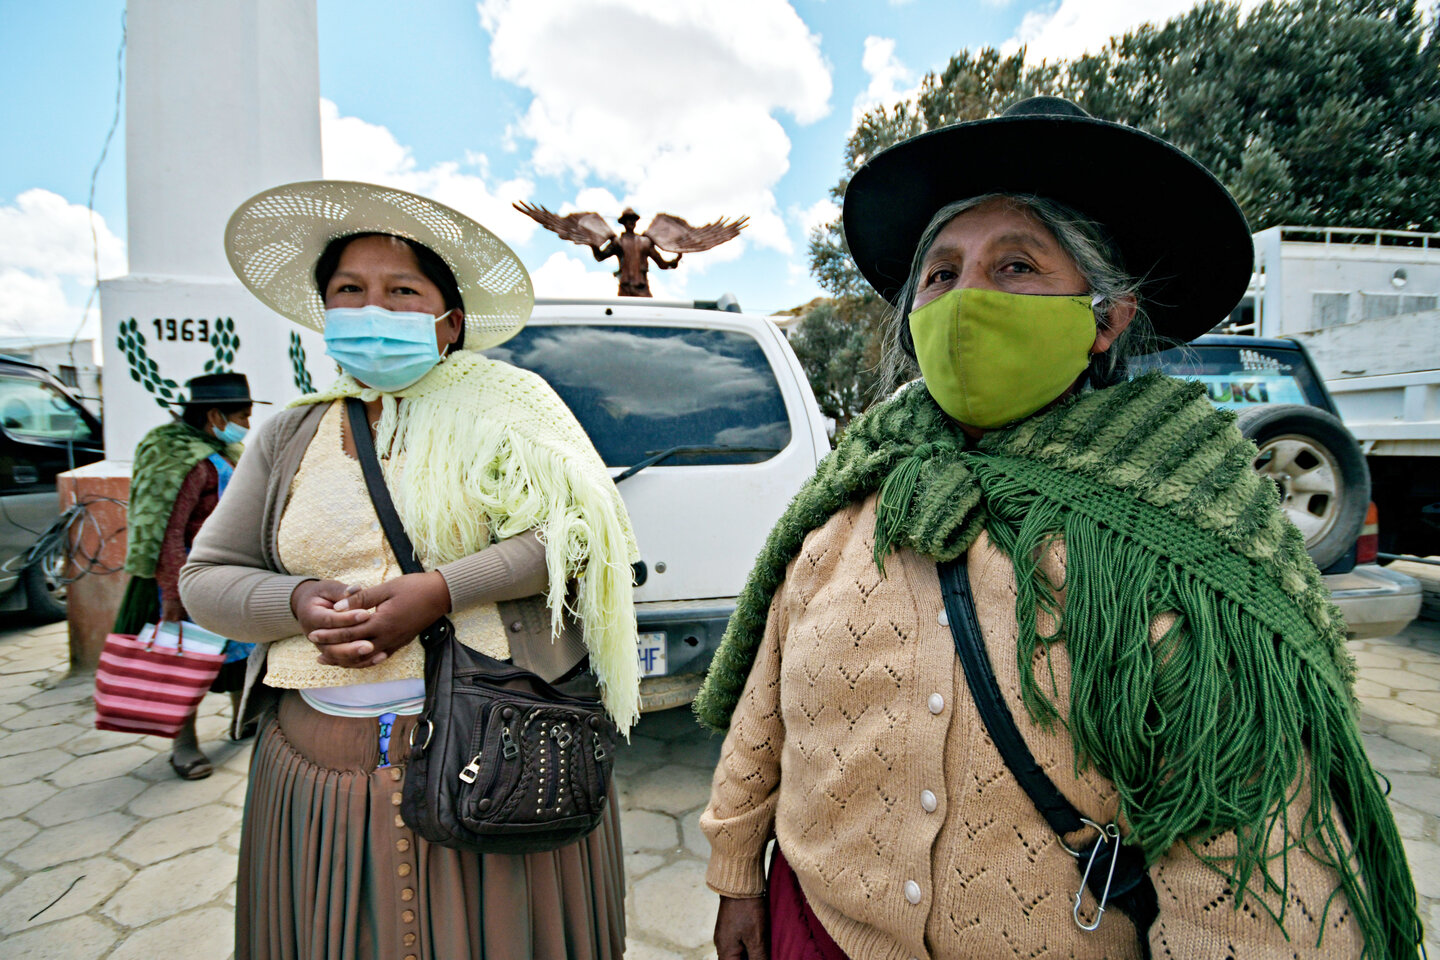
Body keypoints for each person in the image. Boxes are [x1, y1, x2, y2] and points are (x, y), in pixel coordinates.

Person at [694, 98, 1421, 960]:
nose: (967, 299)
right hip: (812, 929)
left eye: (1016, 267)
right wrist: (738, 868)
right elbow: (767, 706)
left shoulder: (1183, 529)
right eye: (942, 274)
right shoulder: (853, 496)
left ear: (1104, 319)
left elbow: (1257, 870)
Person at [179, 180, 641, 959]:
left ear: (449, 321)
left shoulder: (513, 409)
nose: (375, 310)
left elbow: (584, 538)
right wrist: (296, 603)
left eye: (402, 292)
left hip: (498, 758)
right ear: (325, 315)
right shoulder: (289, 433)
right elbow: (207, 577)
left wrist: (439, 592)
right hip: (319, 780)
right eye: (350, 292)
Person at [115, 371, 265, 780]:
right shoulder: (180, 459)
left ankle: (242, 720)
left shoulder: (224, 449)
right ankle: (183, 745)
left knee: (240, 652)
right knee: (185, 657)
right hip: (184, 579)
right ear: (215, 415)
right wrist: (174, 596)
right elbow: (166, 532)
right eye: (243, 415)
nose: (247, 425)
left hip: (231, 575)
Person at [589, 207, 681, 296]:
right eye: (628, 219)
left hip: (642, 288)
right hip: (625, 288)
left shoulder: (646, 242)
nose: (631, 221)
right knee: (624, 310)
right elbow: (600, 257)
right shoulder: (617, 242)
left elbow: (662, 264)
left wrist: (675, 260)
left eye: (633, 219)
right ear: (624, 222)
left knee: (646, 310)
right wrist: (593, 244)